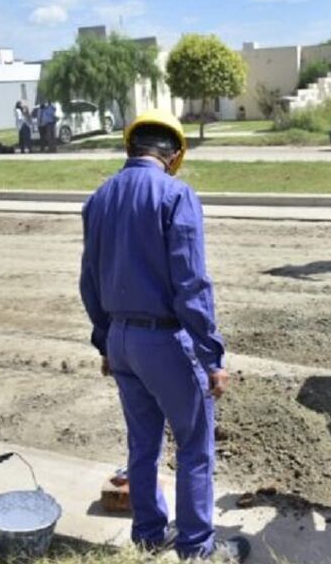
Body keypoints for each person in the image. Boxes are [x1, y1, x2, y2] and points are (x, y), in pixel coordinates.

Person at [79, 109, 250, 562]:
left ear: (130, 148)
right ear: (174, 155)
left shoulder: (98, 199)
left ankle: (150, 536)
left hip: (121, 340)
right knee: (194, 445)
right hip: (163, 341)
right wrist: (211, 356)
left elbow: (89, 280)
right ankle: (197, 550)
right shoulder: (176, 195)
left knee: (142, 443)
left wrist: (105, 340)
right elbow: (191, 284)